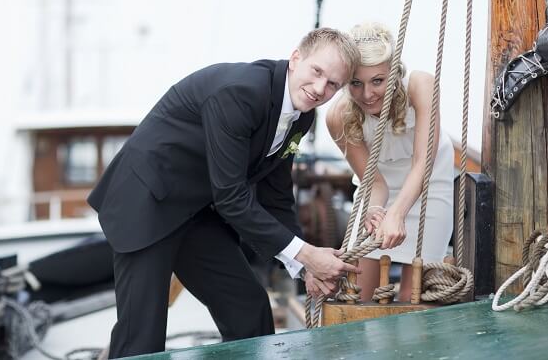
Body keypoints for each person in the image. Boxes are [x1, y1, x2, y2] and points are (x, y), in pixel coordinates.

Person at [87, 27, 361, 357]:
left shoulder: (302, 118)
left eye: (332, 84)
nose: (320, 88)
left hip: (194, 210)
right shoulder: (241, 92)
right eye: (316, 72)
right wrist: (306, 254)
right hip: (147, 200)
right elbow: (231, 196)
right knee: (141, 336)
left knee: (249, 307)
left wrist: (305, 268)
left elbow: (276, 196)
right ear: (296, 58)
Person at [326, 22, 454, 302]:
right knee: (357, 296)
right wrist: (375, 209)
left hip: (429, 186)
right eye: (356, 83)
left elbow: (423, 161)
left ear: (393, 73)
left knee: (413, 299)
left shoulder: (421, 85)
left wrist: (397, 213)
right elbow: (374, 181)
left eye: (378, 81)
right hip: (378, 191)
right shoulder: (338, 116)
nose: (368, 94)